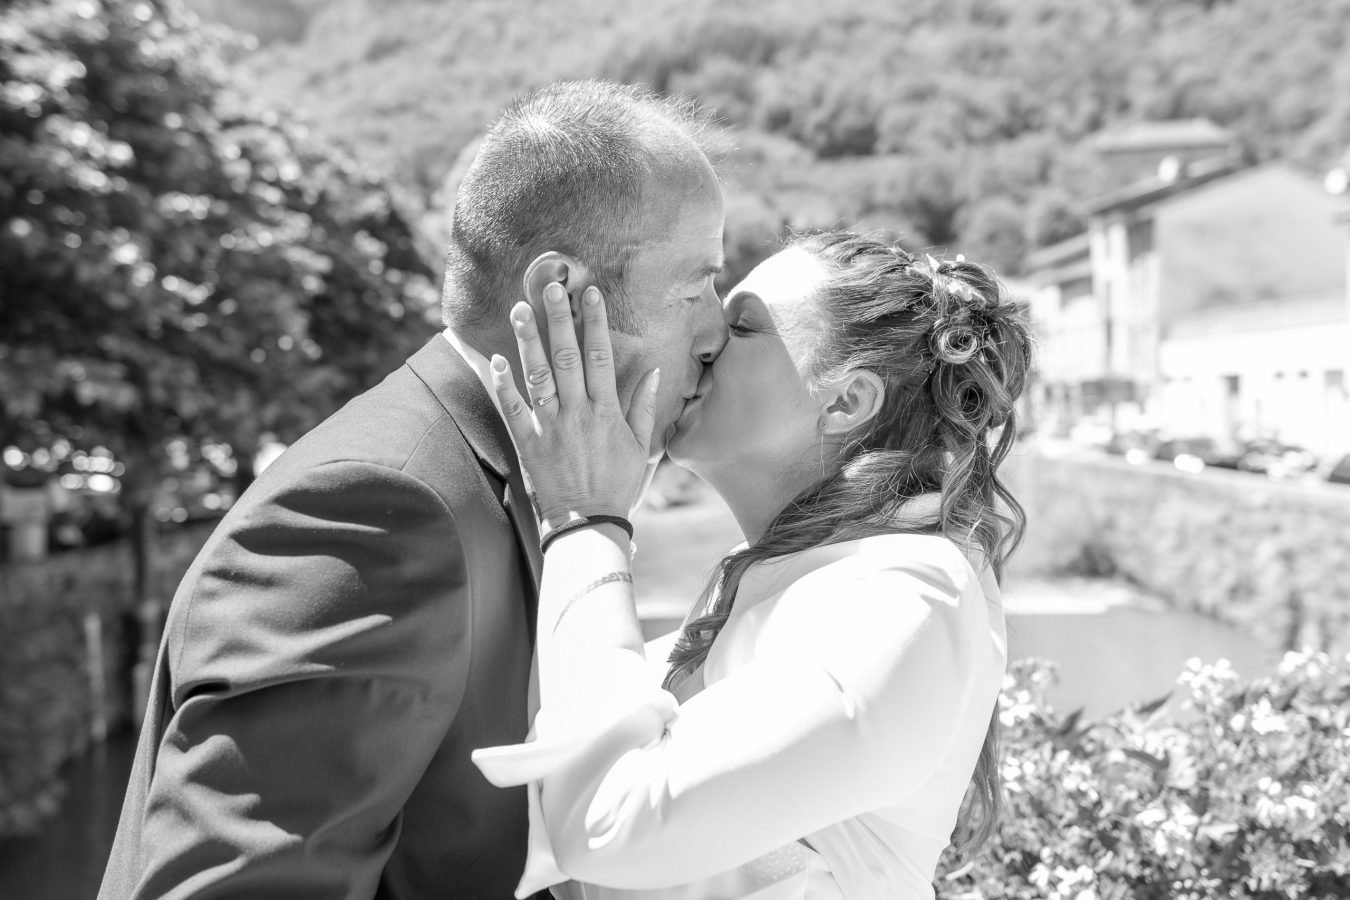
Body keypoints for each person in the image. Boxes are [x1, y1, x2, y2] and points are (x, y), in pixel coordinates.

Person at [97, 80, 727, 900]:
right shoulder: (372, 510)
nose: (715, 331)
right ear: (562, 294)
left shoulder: (498, 482)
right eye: (696, 287)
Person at [473, 231, 1034, 899]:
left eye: (742, 327)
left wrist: (585, 519)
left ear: (845, 402)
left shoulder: (906, 598)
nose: (705, 340)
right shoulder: (799, 581)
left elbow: (607, 823)